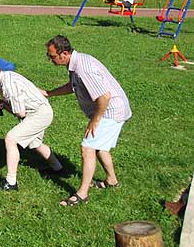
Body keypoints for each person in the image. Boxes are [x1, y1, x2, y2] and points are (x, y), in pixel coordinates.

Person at [43, 35, 131, 206]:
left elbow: (104, 97)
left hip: (111, 111)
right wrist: (49, 93)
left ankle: (82, 193)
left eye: (52, 56)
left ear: (64, 53)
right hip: (111, 109)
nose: (50, 59)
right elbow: (72, 86)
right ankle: (112, 180)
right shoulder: (75, 64)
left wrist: (95, 121)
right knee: (99, 147)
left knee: (87, 148)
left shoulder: (83, 68)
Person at [0, 58, 62, 192]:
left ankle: (11, 182)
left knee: (11, 139)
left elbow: (20, 113)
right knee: (35, 144)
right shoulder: (5, 79)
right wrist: (3, 103)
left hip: (39, 114)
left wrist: (1, 105)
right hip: (40, 111)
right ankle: (58, 168)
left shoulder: (8, 85)